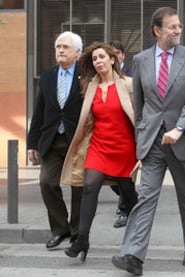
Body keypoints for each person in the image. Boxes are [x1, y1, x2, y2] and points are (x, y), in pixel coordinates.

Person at [111, 7, 185, 276]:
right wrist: (142, 133)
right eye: (172, 27)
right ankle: (133, 255)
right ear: (157, 30)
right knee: (145, 197)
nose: (178, 31)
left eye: (179, 27)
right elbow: (139, 103)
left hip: (181, 139)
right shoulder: (141, 60)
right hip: (152, 141)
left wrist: (180, 128)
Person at [60, 42, 138, 262]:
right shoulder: (90, 86)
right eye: (95, 59)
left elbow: (140, 114)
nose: (99, 61)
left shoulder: (129, 84)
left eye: (102, 57)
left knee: (128, 194)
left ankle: (136, 242)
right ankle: (82, 240)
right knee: (90, 186)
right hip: (99, 145)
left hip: (125, 147)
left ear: (113, 60)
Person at [27, 31, 84, 250]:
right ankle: (61, 229)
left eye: (66, 47)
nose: (60, 50)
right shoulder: (48, 75)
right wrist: (32, 143)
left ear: (77, 53)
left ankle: (78, 232)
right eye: (58, 46)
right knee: (47, 182)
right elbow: (40, 110)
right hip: (51, 140)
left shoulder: (86, 76)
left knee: (79, 187)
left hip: (77, 141)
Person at [109, 39, 132, 228]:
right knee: (110, 177)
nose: (114, 57)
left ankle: (124, 210)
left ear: (123, 55)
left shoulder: (133, 74)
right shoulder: (102, 76)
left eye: (117, 53)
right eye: (111, 54)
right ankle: (133, 199)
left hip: (128, 132)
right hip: (108, 133)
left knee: (124, 174)